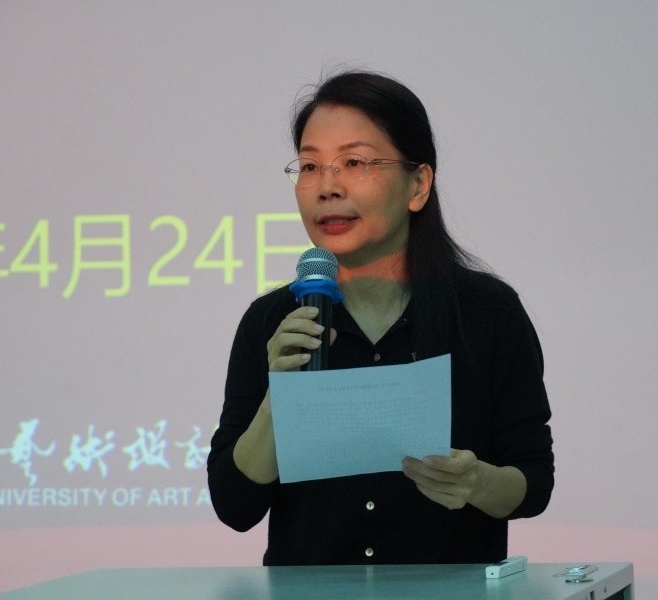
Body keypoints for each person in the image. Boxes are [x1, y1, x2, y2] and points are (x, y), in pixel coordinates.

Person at [207, 70, 554, 566]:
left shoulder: (487, 313)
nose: (327, 187)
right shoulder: (274, 321)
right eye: (310, 166)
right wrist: (277, 400)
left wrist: (478, 482)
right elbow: (234, 506)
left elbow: (533, 483)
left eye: (355, 162)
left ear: (418, 184)